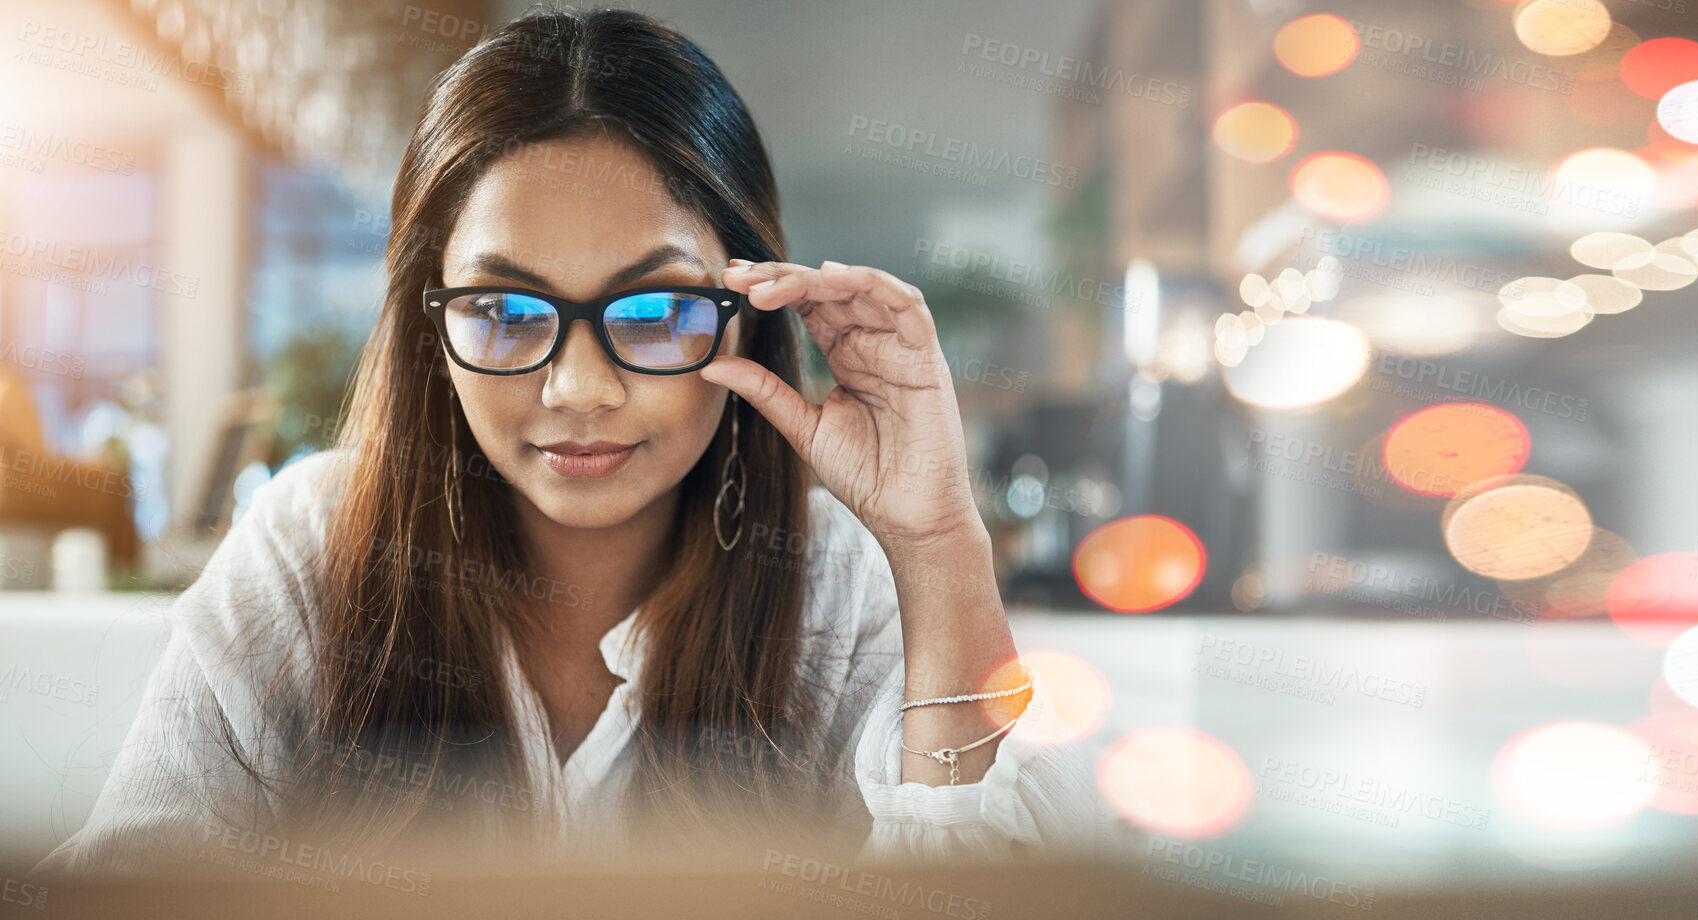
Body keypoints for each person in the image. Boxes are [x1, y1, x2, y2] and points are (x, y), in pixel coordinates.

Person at [38, 8, 1115, 875]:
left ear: (752, 309)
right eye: (506, 311)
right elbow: (131, 909)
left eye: (651, 314)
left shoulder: (837, 582)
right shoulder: (309, 551)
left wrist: (936, 541)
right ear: (432, 324)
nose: (580, 387)